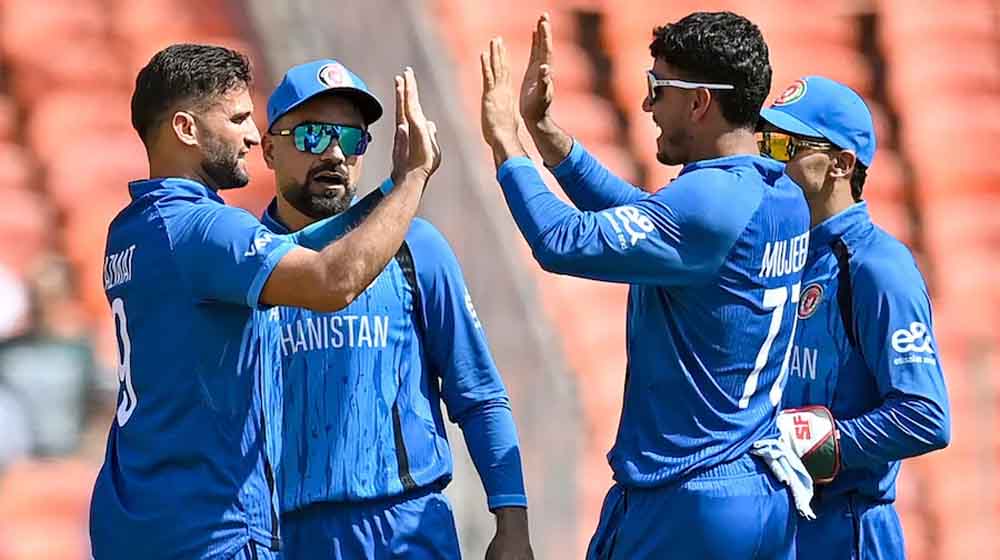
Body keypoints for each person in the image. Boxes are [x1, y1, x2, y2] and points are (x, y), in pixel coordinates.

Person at [480, 11, 812, 560]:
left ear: (699, 102)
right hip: (757, 490)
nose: (645, 105)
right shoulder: (778, 194)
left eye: (657, 88)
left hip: (689, 499)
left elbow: (560, 241)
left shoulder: (709, 201)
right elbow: (652, 216)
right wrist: (547, 135)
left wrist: (506, 143)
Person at [89, 43, 441, 560]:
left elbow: (294, 245)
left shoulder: (131, 228)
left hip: (135, 519)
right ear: (186, 128)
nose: (253, 136)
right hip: (209, 527)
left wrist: (384, 191)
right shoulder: (205, 229)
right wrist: (411, 181)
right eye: (237, 119)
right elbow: (332, 281)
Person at [258, 58, 533, 560]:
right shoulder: (243, 261)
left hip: (405, 528)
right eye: (313, 136)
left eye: (351, 138)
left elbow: (477, 393)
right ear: (270, 148)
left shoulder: (417, 247)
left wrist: (512, 522)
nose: (335, 154)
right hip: (287, 535)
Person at [757, 76, 950, 560]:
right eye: (765, 142)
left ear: (841, 164)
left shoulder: (878, 267)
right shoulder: (780, 252)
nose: (769, 161)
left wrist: (816, 441)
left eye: (786, 146)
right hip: (780, 525)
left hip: (848, 531)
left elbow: (926, 416)